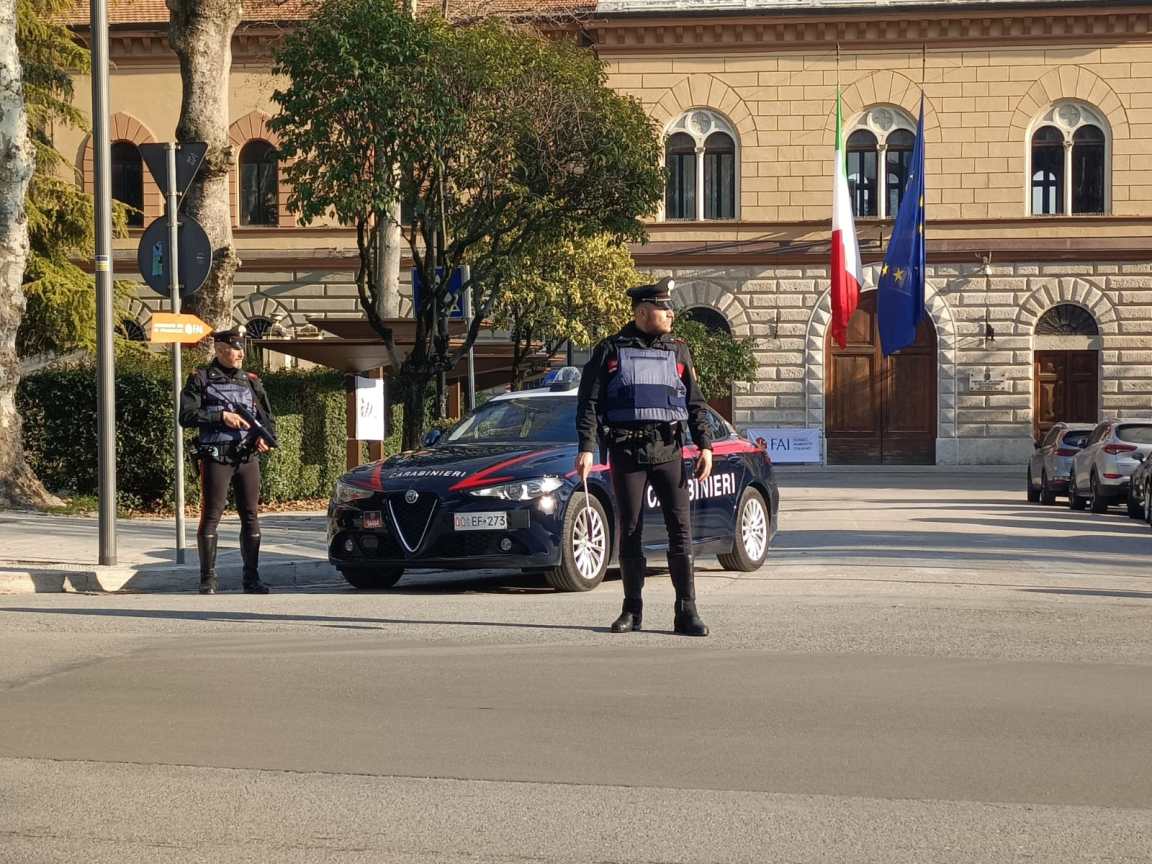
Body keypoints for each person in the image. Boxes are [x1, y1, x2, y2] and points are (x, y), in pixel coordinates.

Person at [575, 277, 713, 636]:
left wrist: (706, 446)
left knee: (679, 530)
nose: (671, 314)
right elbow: (588, 403)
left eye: (670, 308)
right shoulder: (610, 350)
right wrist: (586, 448)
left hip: (668, 449)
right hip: (626, 450)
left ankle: (687, 611)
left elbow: (694, 403)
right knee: (631, 531)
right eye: (664, 308)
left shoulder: (678, 350)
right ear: (642, 312)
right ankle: (632, 611)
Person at [179, 326, 277, 594]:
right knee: (211, 516)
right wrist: (220, 417)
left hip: (247, 456)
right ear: (220, 349)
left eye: (242, 348)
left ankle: (252, 578)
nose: (240, 353)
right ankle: (207, 579)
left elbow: (267, 418)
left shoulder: (251, 381)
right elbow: (185, 416)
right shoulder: (200, 378)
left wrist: (264, 438)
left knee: (251, 516)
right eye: (235, 348)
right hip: (216, 457)